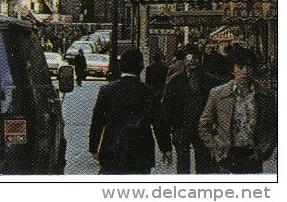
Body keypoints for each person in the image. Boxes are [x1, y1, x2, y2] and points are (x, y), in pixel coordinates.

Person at [88, 48, 172, 174]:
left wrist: (94, 147)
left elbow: (97, 121)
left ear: (121, 66)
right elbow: (159, 123)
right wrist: (165, 149)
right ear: (141, 67)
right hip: (141, 151)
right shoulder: (148, 92)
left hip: (112, 148)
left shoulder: (107, 90)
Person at [198, 46, 277, 174]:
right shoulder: (218, 94)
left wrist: (264, 150)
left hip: (253, 155)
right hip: (226, 155)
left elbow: (273, 126)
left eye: (249, 67)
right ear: (233, 69)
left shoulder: (265, 95)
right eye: (240, 67)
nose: (245, 71)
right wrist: (216, 147)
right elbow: (203, 124)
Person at [160, 44, 220, 174]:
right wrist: (168, 130)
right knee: (182, 163)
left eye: (196, 57)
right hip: (181, 126)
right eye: (189, 57)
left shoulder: (210, 80)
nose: (193, 61)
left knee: (204, 163)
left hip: (203, 128)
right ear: (184, 60)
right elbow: (166, 107)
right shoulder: (175, 80)